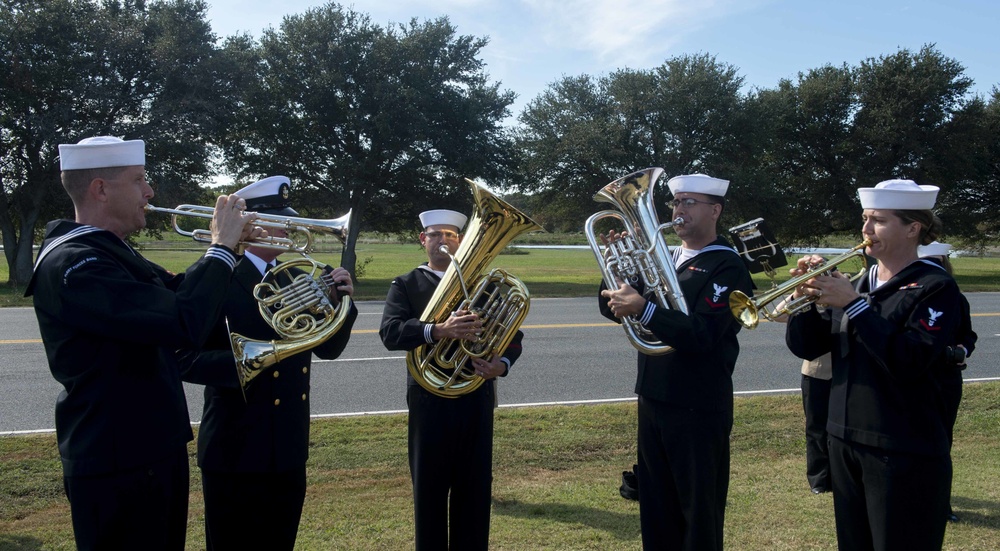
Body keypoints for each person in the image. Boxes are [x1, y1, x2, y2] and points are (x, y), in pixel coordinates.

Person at [25, 136, 258, 550]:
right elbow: (181, 321)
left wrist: (234, 252)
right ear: (100, 189)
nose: (150, 192)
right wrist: (220, 247)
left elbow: (184, 301)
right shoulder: (79, 264)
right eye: (139, 180)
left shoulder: (110, 254)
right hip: (118, 462)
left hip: (147, 451)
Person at [785, 179, 972, 550]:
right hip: (843, 439)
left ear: (913, 228)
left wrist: (853, 305)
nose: (866, 230)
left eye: (879, 221)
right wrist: (805, 300)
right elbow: (806, 347)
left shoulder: (935, 287)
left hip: (901, 445)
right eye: (865, 219)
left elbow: (910, 360)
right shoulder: (857, 281)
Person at [177, 176, 358, 550]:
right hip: (235, 446)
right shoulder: (215, 275)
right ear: (250, 225)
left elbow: (327, 349)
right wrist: (244, 363)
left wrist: (343, 303)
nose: (293, 229)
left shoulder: (296, 276)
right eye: (283, 221)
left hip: (288, 444)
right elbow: (182, 358)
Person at [598, 173, 753, 550]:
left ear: (714, 210)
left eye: (689, 203)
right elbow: (611, 309)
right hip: (654, 395)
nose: (678, 210)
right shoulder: (663, 256)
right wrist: (618, 274)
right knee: (656, 506)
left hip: (698, 403)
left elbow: (703, 335)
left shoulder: (727, 267)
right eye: (675, 203)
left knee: (697, 510)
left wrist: (646, 308)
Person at [379, 209, 524, 550]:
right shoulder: (406, 283)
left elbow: (513, 335)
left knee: (474, 488)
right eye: (434, 235)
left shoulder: (480, 284)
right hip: (429, 398)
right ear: (422, 240)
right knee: (428, 491)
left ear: (460, 242)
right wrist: (438, 330)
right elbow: (389, 333)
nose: (442, 241)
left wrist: (501, 364)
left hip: (475, 396)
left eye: (449, 235)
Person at [917, 241, 978, 523]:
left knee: (941, 444)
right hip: (914, 380)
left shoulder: (955, 297)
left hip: (946, 380)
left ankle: (941, 505)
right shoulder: (910, 296)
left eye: (939, 262)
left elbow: (968, 335)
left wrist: (961, 351)